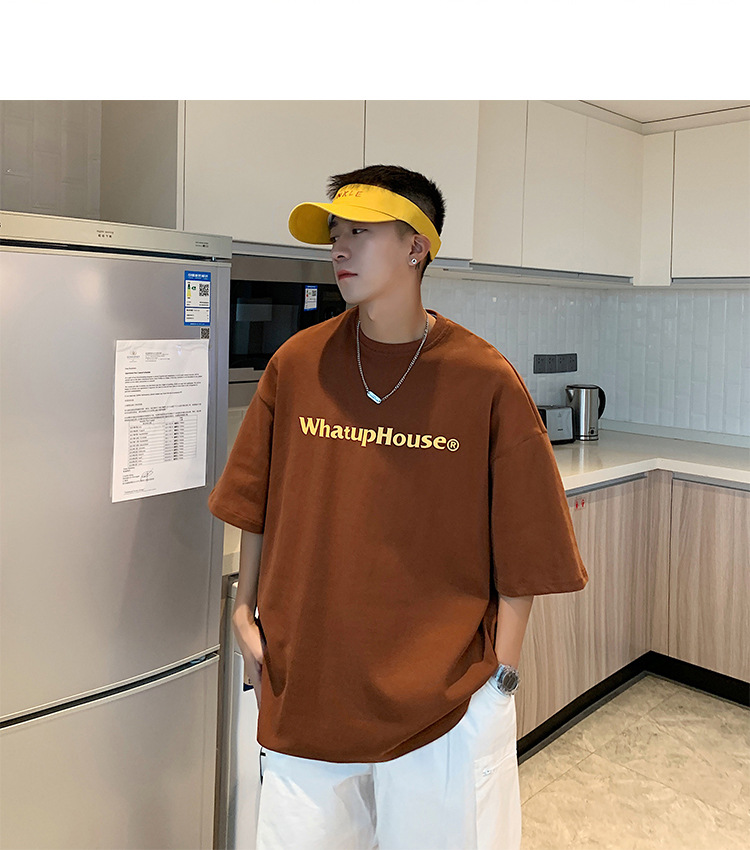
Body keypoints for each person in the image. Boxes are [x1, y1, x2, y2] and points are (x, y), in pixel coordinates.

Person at [208, 164, 588, 850]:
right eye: (335, 233)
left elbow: (527, 546)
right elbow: (253, 499)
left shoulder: (483, 378)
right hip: (306, 690)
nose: (339, 248)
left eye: (360, 231)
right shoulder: (297, 364)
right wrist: (244, 612)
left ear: (417, 246)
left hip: (444, 708)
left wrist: (499, 679)